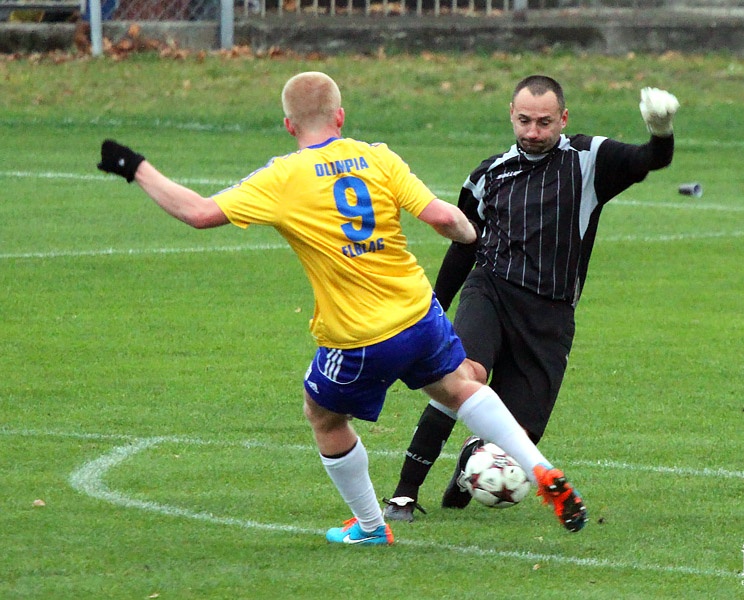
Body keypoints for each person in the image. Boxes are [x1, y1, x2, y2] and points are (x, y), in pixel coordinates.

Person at [96, 71, 589, 545]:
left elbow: (198, 213)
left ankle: (372, 527)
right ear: (341, 116)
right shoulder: (376, 157)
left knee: (324, 416)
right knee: (459, 384)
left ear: (289, 125)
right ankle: (538, 466)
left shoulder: (282, 176)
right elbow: (445, 218)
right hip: (419, 315)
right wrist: (466, 233)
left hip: (358, 335)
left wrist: (135, 166)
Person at [383, 75, 679, 522]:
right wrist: (436, 305)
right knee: (465, 377)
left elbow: (650, 159)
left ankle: (473, 462)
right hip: (492, 291)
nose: (533, 132)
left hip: (551, 315)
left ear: (563, 119)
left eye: (544, 122)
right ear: (511, 115)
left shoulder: (589, 160)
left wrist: (660, 129)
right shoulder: (488, 174)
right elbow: (465, 244)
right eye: (524, 121)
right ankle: (404, 493)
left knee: (519, 436)